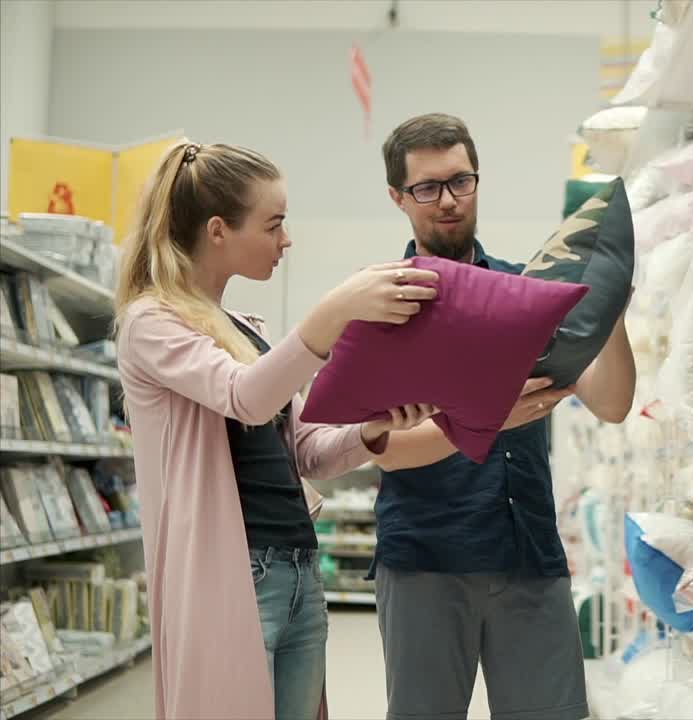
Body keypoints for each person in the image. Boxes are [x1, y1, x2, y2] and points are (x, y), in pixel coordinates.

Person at [115, 141, 440, 720]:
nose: (286, 240)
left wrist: (371, 430)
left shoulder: (247, 330)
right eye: (274, 224)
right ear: (218, 230)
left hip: (297, 569)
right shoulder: (152, 322)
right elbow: (243, 396)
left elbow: (308, 451)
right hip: (232, 572)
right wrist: (334, 311)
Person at [371, 113, 637, 720]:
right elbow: (381, 445)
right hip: (427, 559)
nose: (447, 200)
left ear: (477, 180)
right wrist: (486, 415)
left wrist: (610, 304)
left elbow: (613, 402)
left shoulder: (528, 291)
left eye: (460, 181)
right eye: (427, 187)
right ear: (397, 197)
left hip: (529, 553)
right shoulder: (383, 305)